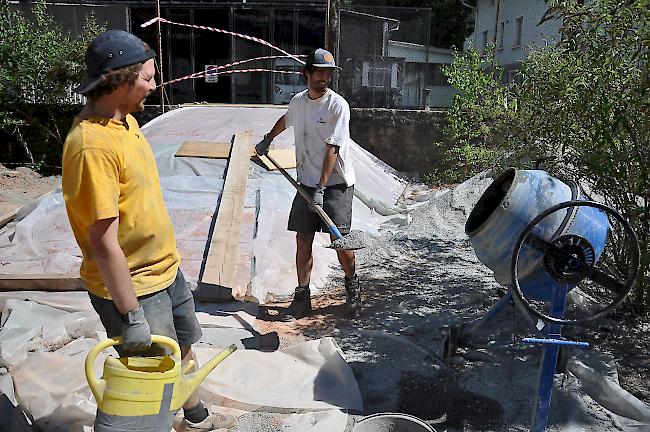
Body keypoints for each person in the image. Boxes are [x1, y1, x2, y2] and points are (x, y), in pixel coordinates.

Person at [62, 30, 237, 431]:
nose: (153, 86)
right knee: (147, 380)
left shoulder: (126, 123)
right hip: (135, 288)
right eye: (147, 78)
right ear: (120, 81)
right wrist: (131, 314)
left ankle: (193, 416)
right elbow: (103, 242)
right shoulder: (92, 146)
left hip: (164, 271)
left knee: (184, 344)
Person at [256, 48, 361, 318]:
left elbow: (333, 148)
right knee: (303, 240)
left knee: (341, 241)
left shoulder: (337, 106)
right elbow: (286, 119)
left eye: (329, 73)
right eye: (320, 72)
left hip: (335, 184)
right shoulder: (298, 102)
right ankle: (302, 297)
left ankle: (353, 287)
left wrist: (322, 189)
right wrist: (268, 138)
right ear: (307, 73)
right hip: (306, 182)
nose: (325, 77)